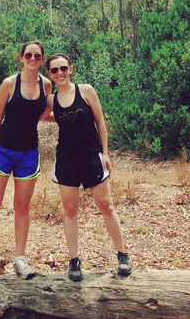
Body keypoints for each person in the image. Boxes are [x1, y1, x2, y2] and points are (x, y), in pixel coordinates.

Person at [0, 41, 53, 283]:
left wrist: (74, 118)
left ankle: (20, 260)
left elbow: (43, 115)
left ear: (42, 58)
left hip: (29, 152)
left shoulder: (46, 85)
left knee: (22, 206)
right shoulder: (9, 84)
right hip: (3, 149)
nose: (32, 58)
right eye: (28, 54)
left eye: (37, 55)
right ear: (21, 58)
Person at [41, 53, 131, 282]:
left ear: (70, 69)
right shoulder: (52, 100)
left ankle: (122, 255)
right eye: (54, 70)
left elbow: (100, 121)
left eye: (63, 68)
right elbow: (41, 117)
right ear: (49, 74)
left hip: (92, 156)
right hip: (66, 161)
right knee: (70, 211)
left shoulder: (87, 91)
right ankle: (74, 261)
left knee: (106, 206)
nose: (59, 73)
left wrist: (106, 153)